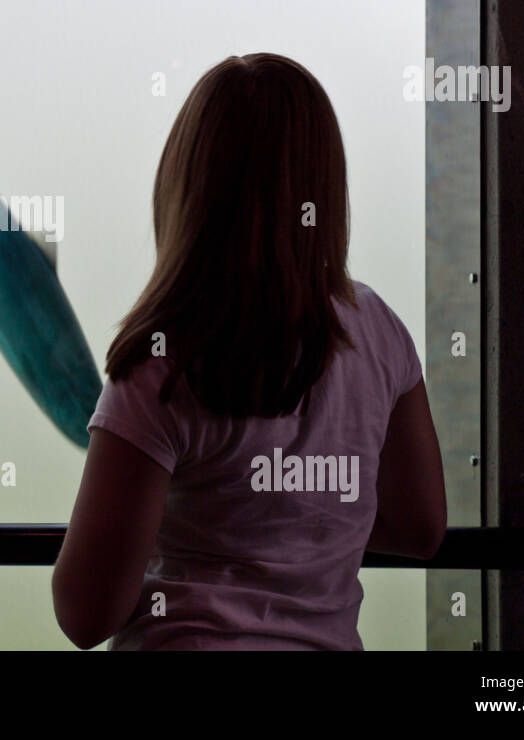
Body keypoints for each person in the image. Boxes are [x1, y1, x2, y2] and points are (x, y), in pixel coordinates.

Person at [51, 53, 447, 650]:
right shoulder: (379, 331)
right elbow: (421, 529)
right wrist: (300, 525)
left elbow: (85, 615)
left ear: (186, 187)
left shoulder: (160, 363)